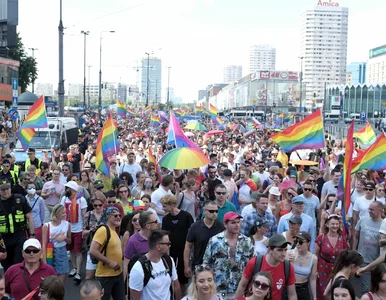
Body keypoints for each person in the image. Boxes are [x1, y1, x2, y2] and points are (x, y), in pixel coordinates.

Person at [203, 212, 254, 298]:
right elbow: (206, 264)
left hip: (240, 288)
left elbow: (253, 264)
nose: (237, 225)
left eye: (238, 222)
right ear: (225, 224)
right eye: (233, 222)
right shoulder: (215, 241)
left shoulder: (247, 241)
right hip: (219, 288)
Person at [235, 234, 297, 300]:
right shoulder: (255, 263)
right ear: (270, 250)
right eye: (280, 250)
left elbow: (292, 294)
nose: (284, 254)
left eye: (285, 250)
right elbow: (242, 286)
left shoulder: (288, 267)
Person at [129, 229, 182, 300]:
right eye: (168, 244)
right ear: (158, 247)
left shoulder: (168, 260)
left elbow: (176, 285)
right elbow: (134, 296)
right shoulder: (138, 268)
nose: (169, 246)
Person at [89, 207, 125, 300]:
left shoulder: (114, 231)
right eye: (115, 215)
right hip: (105, 276)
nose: (118, 217)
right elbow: (92, 250)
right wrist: (110, 262)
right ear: (108, 217)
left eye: (119, 215)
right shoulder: (103, 230)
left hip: (118, 274)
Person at [184, 200, 225, 278]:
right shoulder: (195, 226)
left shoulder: (221, 227)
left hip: (216, 266)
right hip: (198, 264)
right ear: (205, 211)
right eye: (211, 211)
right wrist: (186, 266)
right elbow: (188, 246)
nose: (214, 214)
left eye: (216, 211)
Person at [0, 179, 35, 271]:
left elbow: (30, 217)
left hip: (19, 235)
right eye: (3, 190)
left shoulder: (20, 199)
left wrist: (32, 235)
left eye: (7, 189)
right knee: (6, 264)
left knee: (18, 263)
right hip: (3, 238)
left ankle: (18, 283)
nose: (6, 191)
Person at [161, 194, 194, 289]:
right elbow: (164, 235)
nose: (163, 208)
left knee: (183, 277)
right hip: (171, 251)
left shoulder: (186, 216)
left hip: (184, 250)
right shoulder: (165, 219)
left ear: (172, 205)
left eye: (164, 206)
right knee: (170, 276)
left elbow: (191, 232)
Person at [353, 201, 384, 296]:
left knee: (374, 287)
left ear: (380, 211)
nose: (369, 211)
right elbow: (355, 236)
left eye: (372, 209)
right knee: (365, 288)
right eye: (369, 209)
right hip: (362, 259)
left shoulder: (384, 224)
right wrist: (354, 251)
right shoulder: (362, 220)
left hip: (376, 262)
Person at [315, 214, 349, 300]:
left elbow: (345, 255)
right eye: (332, 224)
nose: (335, 226)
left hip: (337, 269)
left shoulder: (342, 238)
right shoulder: (321, 237)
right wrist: (315, 270)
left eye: (337, 224)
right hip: (323, 269)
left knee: (336, 291)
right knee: (323, 292)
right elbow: (315, 255)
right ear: (327, 224)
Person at [60, 180, 88, 283]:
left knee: (78, 251)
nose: (66, 190)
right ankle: (75, 268)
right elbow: (61, 212)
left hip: (78, 229)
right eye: (66, 188)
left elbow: (84, 216)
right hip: (67, 228)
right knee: (71, 250)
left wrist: (84, 228)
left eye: (68, 188)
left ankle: (78, 272)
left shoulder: (81, 200)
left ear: (73, 189)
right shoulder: (64, 198)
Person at [124, 211, 159, 280]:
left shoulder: (158, 237)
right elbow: (126, 263)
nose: (157, 224)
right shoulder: (133, 241)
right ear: (148, 226)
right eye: (155, 222)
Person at [42, 204, 71, 282]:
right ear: (57, 213)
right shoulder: (47, 226)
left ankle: (59, 293)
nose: (65, 214)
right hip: (50, 252)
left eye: (65, 212)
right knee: (50, 279)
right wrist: (44, 260)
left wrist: (64, 238)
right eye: (63, 213)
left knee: (61, 280)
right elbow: (44, 244)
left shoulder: (67, 224)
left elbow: (70, 241)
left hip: (62, 252)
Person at [291, 231, 317, 299]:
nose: (297, 244)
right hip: (290, 287)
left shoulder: (313, 259)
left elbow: (312, 279)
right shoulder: (290, 254)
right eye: (296, 241)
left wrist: (314, 297)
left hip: (303, 288)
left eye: (300, 242)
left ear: (308, 243)